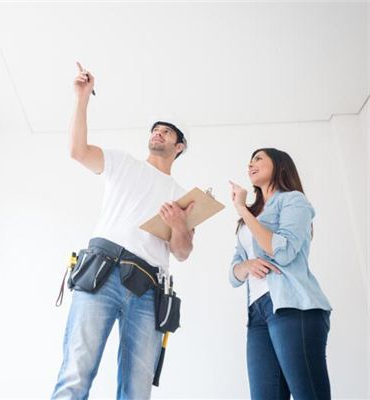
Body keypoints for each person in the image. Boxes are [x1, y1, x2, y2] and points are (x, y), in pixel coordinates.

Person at [51, 62, 195, 400]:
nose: (158, 133)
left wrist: (178, 225)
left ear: (179, 147)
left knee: (137, 391)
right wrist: (82, 98)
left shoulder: (183, 197)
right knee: (75, 374)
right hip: (101, 271)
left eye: (167, 132)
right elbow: (77, 151)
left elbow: (183, 251)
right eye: (155, 129)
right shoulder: (123, 163)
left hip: (147, 289)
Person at [229, 148, 332, 400]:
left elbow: (283, 253)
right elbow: (234, 274)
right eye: (249, 161)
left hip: (293, 307)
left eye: (258, 158)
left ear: (280, 165)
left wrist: (242, 209)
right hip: (257, 314)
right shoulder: (249, 218)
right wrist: (247, 265)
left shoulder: (293, 200)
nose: (250, 164)